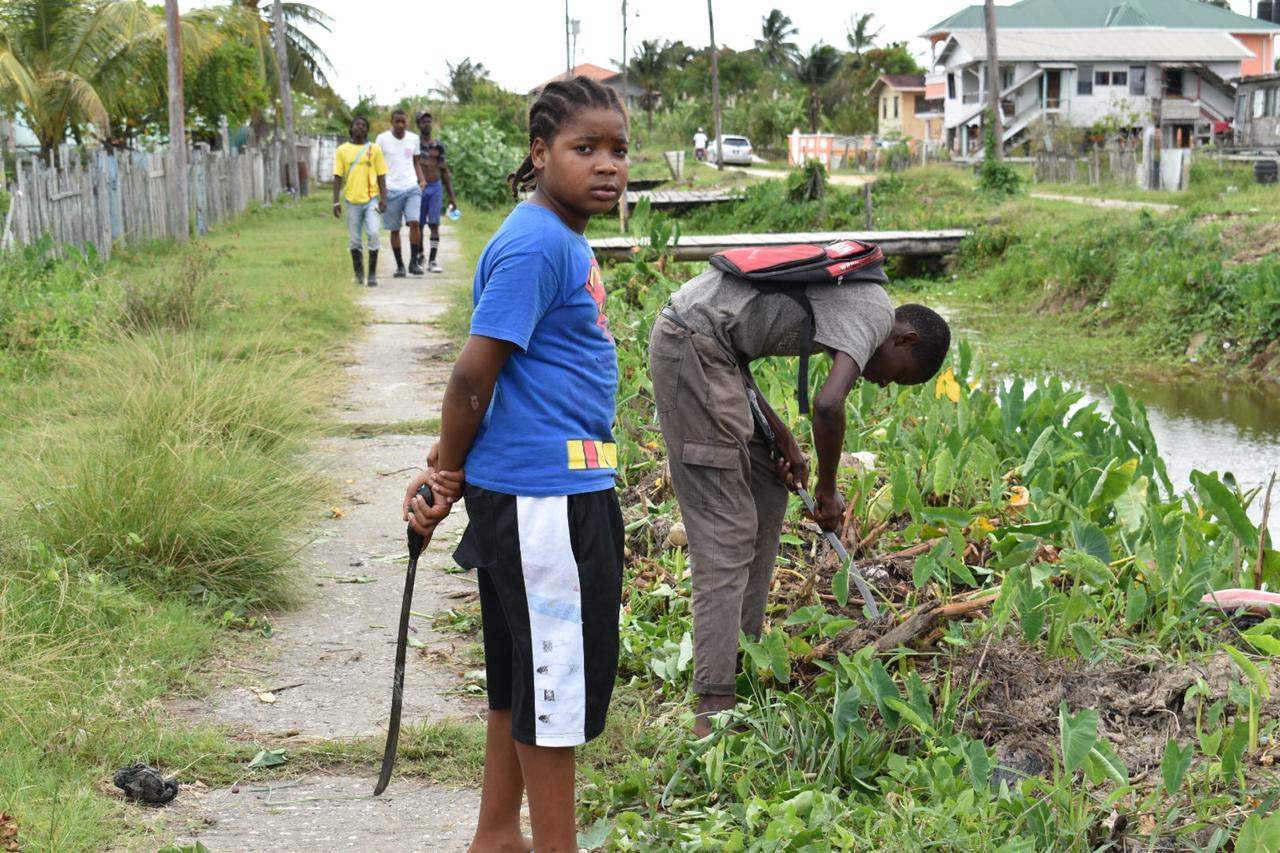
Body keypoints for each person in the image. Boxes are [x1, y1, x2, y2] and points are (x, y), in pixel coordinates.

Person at [402, 76, 629, 853]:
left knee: (522, 678)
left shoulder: (557, 237)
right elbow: (473, 372)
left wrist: (462, 453)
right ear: (540, 154)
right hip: (546, 501)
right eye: (585, 148)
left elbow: (507, 379)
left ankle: (498, 835)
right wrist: (451, 471)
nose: (608, 166)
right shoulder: (539, 242)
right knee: (554, 688)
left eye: (619, 150)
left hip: (545, 489)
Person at [649, 266, 951, 737]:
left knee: (768, 487)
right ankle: (713, 706)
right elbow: (829, 404)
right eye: (897, 378)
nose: (884, 385)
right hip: (689, 345)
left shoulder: (862, 306)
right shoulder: (874, 315)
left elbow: (735, 344)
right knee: (725, 527)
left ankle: (740, 658)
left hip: (717, 352)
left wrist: (782, 435)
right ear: (905, 340)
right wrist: (827, 493)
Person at [332, 117, 387, 286]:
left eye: (363, 125)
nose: (360, 127)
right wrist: (335, 201)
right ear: (351, 128)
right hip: (351, 200)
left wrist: (384, 198)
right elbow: (337, 176)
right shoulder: (342, 150)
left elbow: (381, 174)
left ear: (367, 130)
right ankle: (359, 275)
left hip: (371, 200)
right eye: (357, 124)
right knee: (355, 240)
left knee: (374, 233)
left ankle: (372, 275)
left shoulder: (374, 149)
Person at [375, 109, 425, 277]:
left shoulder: (413, 138)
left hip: (411, 187)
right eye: (397, 122)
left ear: (406, 123)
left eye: (403, 122)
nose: (400, 125)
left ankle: (413, 263)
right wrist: (380, 192)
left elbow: (416, 162)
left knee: (414, 222)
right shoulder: (382, 140)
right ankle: (400, 266)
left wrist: (421, 179)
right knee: (394, 229)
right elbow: (377, 166)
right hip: (391, 189)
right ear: (392, 122)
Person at [415, 110, 459, 274]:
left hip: (435, 188)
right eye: (423, 121)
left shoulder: (438, 145)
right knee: (418, 225)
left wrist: (452, 198)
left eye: (429, 121)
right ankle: (419, 256)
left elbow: (444, 171)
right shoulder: (414, 144)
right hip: (418, 188)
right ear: (418, 124)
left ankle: (433, 260)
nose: (426, 124)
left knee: (434, 224)